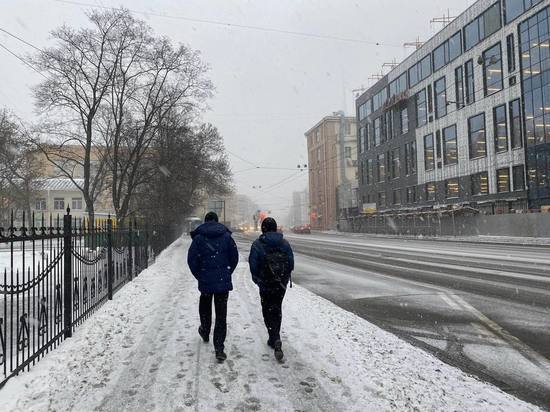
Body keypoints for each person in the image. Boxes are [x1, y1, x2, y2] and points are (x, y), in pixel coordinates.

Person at [187, 212, 239, 362]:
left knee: (205, 308)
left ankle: (204, 329)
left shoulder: (198, 238)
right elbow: (234, 258)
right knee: (221, 315)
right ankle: (219, 348)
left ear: (205, 221)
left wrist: (200, 275)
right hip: (222, 282)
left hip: (205, 281)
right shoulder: (227, 237)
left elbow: (191, 260)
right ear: (217, 221)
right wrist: (227, 271)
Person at [248, 217, 294, 361]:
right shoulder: (284, 243)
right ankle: (276, 336)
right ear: (276, 228)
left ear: (263, 229)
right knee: (277, 308)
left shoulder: (257, 244)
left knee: (267, 309)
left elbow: (253, 265)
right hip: (280, 285)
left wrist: (258, 280)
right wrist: (283, 279)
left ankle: (273, 337)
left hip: (266, 284)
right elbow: (291, 263)